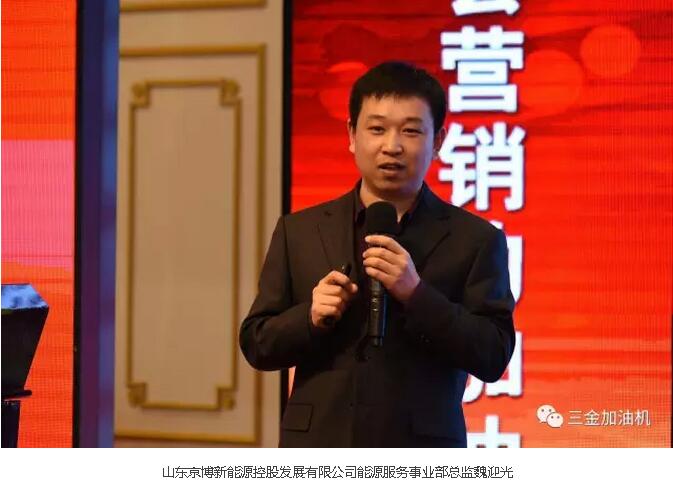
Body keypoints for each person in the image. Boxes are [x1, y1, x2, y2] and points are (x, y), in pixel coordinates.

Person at [240, 61, 515, 447]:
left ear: (438, 140)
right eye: (377, 129)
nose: (392, 146)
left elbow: (493, 355)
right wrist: (310, 317)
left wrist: (417, 294)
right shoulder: (299, 230)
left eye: (411, 130)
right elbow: (257, 344)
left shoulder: (476, 239)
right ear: (352, 135)